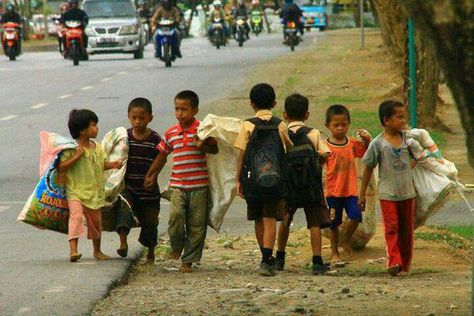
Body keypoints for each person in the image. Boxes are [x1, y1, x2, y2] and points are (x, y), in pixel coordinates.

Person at [144, 90, 218, 273]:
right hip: (177, 186)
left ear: (195, 110)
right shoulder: (171, 133)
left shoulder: (203, 130)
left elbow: (215, 150)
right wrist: (151, 174)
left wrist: (202, 145)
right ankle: (177, 246)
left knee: (196, 225)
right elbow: (162, 155)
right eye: (177, 109)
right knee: (176, 218)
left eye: (184, 109)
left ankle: (188, 260)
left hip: (199, 187)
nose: (179, 113)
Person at [235, 83, 292, 277]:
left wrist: (238, 179)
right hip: (275, 180)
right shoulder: (280, 124)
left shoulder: (247, 124)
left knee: (258, 218)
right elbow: (288, 149)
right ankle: (267, 258)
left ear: (252, 104)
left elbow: (241, 153)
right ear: (274, 103)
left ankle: (264, 256)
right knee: (270, 219)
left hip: (253, 180)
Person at [275, 94, 331, 275]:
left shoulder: (282, 132)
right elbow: (326, 153)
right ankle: (317, 261)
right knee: (314, 222)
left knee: (285, 220)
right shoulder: (313, 133)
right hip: (310, 186)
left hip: (288, 186)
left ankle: (280, 258)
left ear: (285, 114)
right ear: (306, 115)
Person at [359, 100, 417, 277]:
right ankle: (394, 261)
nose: (403, 121)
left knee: (407, 231)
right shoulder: (378, 144)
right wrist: (361, 195)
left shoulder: (408, 139)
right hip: (388, 195)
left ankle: (405, 266)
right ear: (386, 120)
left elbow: (419, 157)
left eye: (404, 117)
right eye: (399, 117)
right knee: (391, 227)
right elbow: (368, 167)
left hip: (408, 193)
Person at [58, 109, 122, 262]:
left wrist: (113, 165)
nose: (97, 128)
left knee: (96, 223)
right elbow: (61, 167)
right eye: (93, 125)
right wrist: (77, 156)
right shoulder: (71, 149)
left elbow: (100, 165)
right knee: (76, 217)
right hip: (75, 192)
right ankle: (73, 251)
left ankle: (97, 251)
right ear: (82, 130)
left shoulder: (98, 147)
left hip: (94, 193)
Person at [115, 98, 163, 264]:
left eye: (142, 118)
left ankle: (150, 251)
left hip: (148, 189)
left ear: (150, 118)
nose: (137, 121)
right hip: (129, 187)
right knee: (123, 209)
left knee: (150, 222)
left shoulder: (155, 139)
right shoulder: (125, 138)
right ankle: (123, 242)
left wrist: (153, 175)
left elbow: (162, 158)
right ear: (129, 116)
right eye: (134, 117)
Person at [324, 104, 371, 263]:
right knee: (333, 223)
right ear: (327, 126)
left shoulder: (352, 144)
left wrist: (367, 140)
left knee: (356, 216)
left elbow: (368, 154)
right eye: (336, 125)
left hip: (350, 190)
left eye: (344, 124)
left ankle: (344, 241)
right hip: (333, 192)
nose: (340, 128)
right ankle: (334, 251)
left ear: (349, 124)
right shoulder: (325, 146)